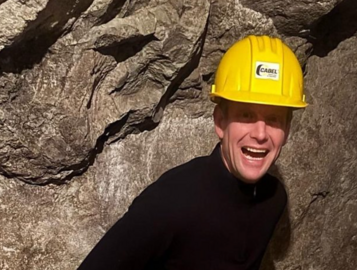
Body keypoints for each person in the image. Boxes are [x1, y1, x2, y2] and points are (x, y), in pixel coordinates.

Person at [77, 35, 307, 270]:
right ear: (220, 122)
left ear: (287, 130)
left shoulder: (273, 199)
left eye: (274, 119)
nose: (260, 133)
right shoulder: (171, 202)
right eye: (246, 115)